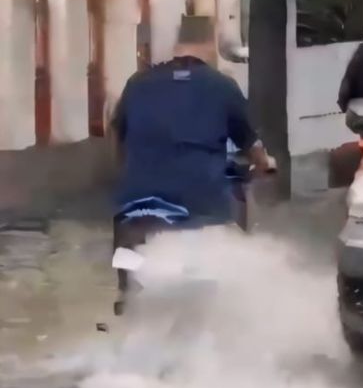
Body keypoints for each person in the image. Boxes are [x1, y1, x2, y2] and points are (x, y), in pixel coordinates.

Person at [110, 16, 274, 311]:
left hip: (142, 197)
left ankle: (126, 293)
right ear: (209, 44)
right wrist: (265, 165)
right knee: (233, 215)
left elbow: (119, 140)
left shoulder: (136, 84)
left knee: (127, 224)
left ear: (176, 45)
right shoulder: (222, 86)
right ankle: (232, 298)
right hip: (203, 197)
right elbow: (252, 148)